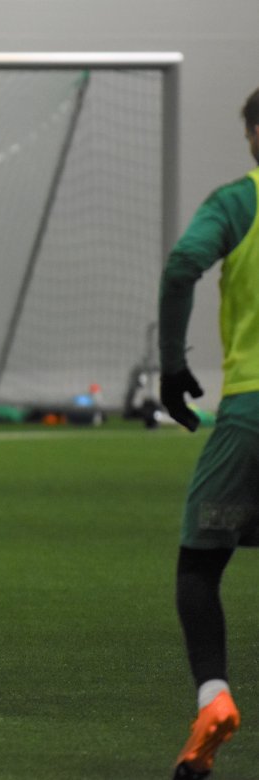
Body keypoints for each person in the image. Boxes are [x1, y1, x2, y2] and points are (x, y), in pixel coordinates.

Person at [163, 87, 259, 780]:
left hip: (251, 413)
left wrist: (172, 366)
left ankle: (213, 697)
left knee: (200, 563)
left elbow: (181, 266)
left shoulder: (238, 201)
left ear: (253, 135)